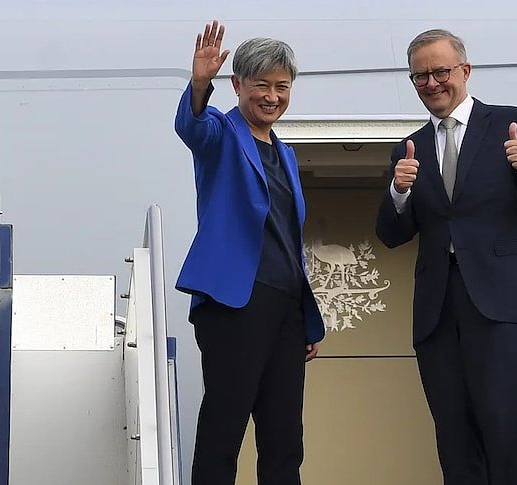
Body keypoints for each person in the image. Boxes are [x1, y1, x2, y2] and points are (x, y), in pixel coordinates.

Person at [375, 28, 517, 484]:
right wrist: (398, 192)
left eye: (440, 71)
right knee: (454, 439)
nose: (431, 83)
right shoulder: (411, 147)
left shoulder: (509, 123)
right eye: (419, 76)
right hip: (438, 311)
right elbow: (389, 233)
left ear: (465, 70)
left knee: (505, 433)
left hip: (501, 305)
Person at [173, 20, 324, 485]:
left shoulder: (286, 153)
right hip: (235, 301)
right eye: (261, 84)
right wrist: (200, 85)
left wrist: (302, 313)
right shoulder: (221, 134)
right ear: (237, 85)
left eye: (282, 86)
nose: (272, 95)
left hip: (284, 308)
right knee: (225, 427)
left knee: (284, 437)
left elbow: (287, 237)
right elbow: (192, 126)